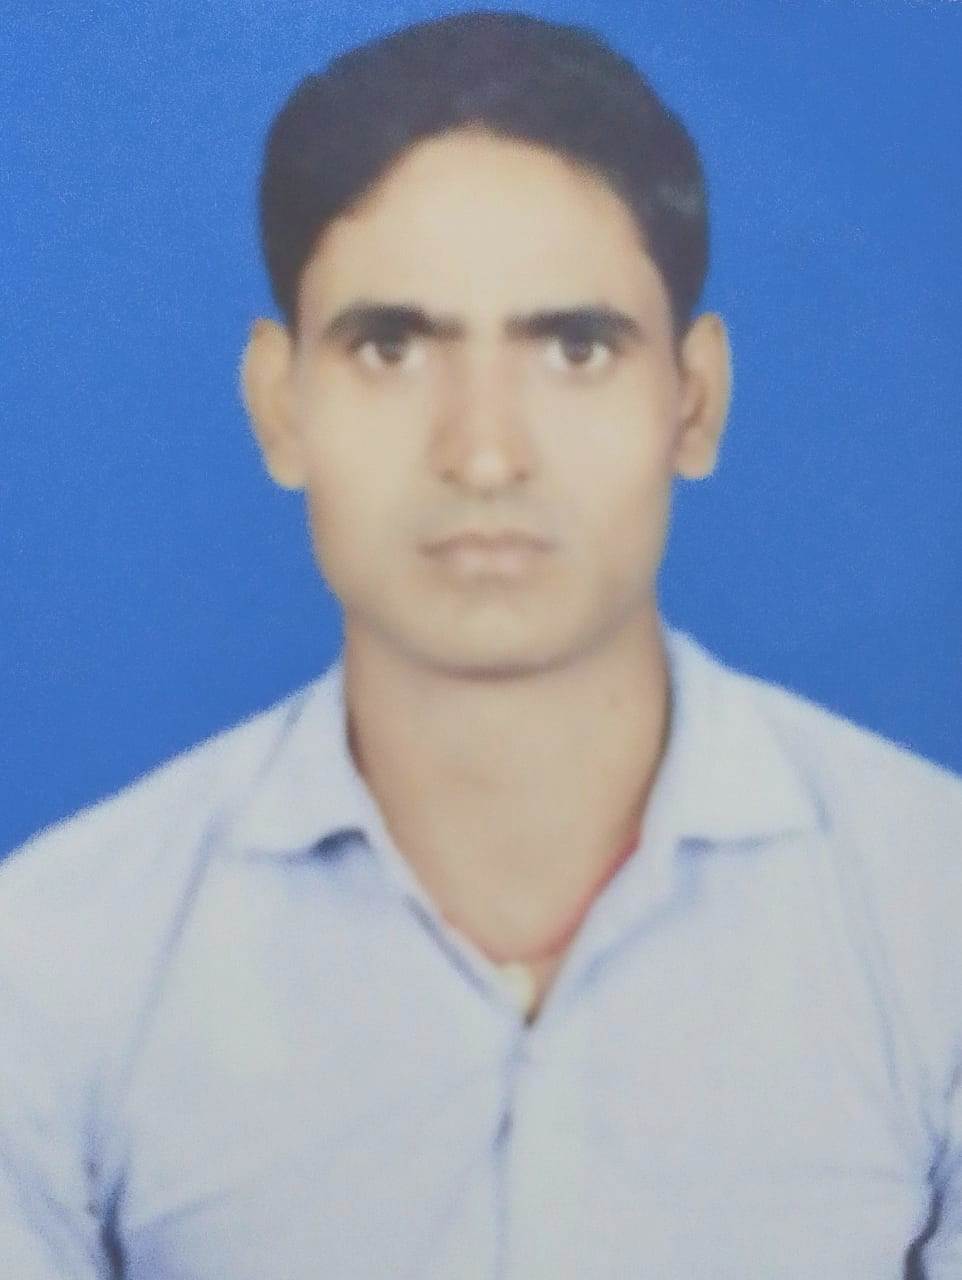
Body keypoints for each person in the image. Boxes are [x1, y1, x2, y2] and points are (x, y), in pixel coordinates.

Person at [2, 10, 960, 1278]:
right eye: (390, 346)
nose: (485, 451)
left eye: (574, 346)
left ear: (693, 398)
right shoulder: (53, 961)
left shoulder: (932, 917)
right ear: (279, 402)